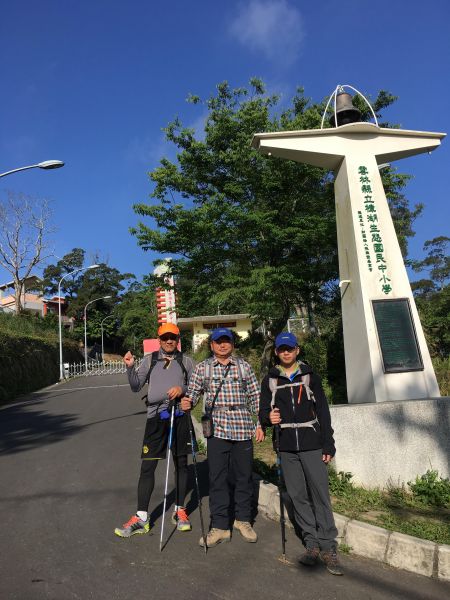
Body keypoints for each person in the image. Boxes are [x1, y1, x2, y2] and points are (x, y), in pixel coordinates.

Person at [259, 332, 343, 576]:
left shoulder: (309, 376)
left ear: (297, 350)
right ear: (276, 352)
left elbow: (324, 412)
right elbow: (264, 410)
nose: (286, 352)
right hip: (286, 446)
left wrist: (328, 444)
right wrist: (267, 418)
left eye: (290, 348)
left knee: (320, 494)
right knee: (297, 496)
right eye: (282, 349)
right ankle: (312, 543)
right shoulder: (270, 380)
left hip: (312, 443)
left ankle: (329, 547)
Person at [181, 327, 264, 548]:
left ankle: (243, 520)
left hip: (242, 427)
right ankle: (219, 527)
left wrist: (260, 423)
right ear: (212, 345)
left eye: (227, 341)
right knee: (217, 478)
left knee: (243, 477)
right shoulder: (203, 369)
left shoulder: (244, 367)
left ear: (232, 344)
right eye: (219, 342)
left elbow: (256, 396)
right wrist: (187, 401)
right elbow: (193, 393)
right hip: (216, 429)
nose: (223, 345)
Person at [114, 323, 195, 538]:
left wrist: (183, 389)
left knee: (182, 464)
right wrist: (130, 367)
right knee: (148, 467)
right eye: (165, 337)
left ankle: (180, 511)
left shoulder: (187, 361)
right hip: (155, 418)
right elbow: (135, 386)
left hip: (179, 417)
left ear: (178, 339)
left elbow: (197, 386)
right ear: (159, 340)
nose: (169, 341)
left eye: (173, 337)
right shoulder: (149, 360)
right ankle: (142, 518)